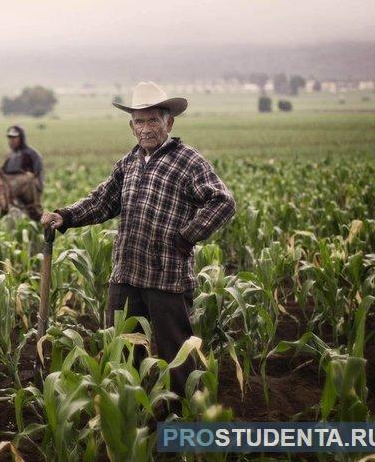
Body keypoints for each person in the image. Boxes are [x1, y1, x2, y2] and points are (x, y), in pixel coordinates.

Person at [40, 81, 235, 396]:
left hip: (167, 277)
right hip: (127, 274)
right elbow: (103, 200)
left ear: (168, 122)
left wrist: (186, 238)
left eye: (152, 120)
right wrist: (67, 216)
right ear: (131, 126)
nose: (145, 128)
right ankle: (136, 415)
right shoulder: (129, 162)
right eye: (139, 121)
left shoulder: (188, 160)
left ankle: (183, 418)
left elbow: (222, 201)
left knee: (178, 355)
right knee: (125, 351)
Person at [1, 125, 44, 191]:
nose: (11, 141)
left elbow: (38, 174)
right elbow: (3, 172)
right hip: (10, 186)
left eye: (14, 138)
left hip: (28, 190)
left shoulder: (32, 154)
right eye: (10, 138)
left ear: (21, 138)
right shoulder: (10, 156)